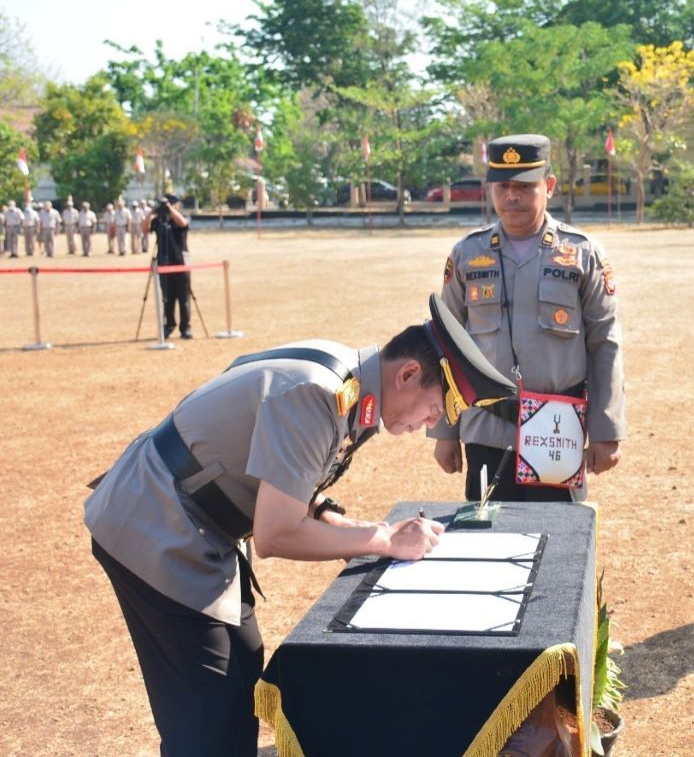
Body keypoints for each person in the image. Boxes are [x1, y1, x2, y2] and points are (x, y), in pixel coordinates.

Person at [84, 294, 516, 757]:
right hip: (155, 523)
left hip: (192, 521)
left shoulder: (350, 380)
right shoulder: (319, 393)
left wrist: (334, 516)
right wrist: (384, 539)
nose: (428, 424)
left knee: (241, 667)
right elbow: (275, 533)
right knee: (208, 709)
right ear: (408, 374)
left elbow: (278, 458)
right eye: (435, 408)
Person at [430, 134, 626, 502]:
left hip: (557, 428)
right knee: (486, 541)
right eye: (502, 186)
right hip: (484, 430)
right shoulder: (468, 254)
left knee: (559, 543)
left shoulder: (582, 254)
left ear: (548, 186)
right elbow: (445, 346)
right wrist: (446, 430)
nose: (511, 196)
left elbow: (605, 344)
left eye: (523, 186)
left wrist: (606, 428)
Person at [144, 194, 192, 339]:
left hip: (180, 263)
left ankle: (185, 328)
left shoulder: (179, 218)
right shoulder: (158, 221)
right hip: (164, 263)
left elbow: (183, 223)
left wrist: (170, 209)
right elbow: (144, 229)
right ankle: (169, 324)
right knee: (167, 298)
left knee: (183, 298)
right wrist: (151, 212)